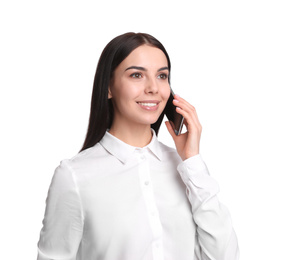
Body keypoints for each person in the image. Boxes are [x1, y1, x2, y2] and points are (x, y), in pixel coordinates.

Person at [37, 32, 239, 260]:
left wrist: (192, 161)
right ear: (109, 87)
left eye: (162, 76)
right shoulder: (74, 176)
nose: (154, 88)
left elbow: (224, 255)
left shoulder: (188, 170)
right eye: (136, 75)